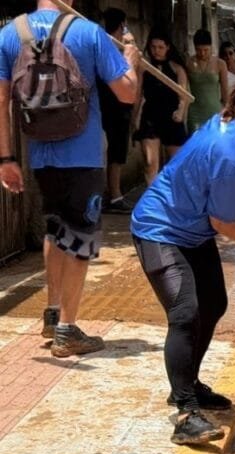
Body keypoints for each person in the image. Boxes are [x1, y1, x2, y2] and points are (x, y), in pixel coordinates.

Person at [130, 77, 235, 445]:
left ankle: (189, 384)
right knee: (185, 313)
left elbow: (227, 171)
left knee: (214, 303)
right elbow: (223, 222)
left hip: (192, 229)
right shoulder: (229, 154)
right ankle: (186, 413)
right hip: (161, 230)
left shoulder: (231, 125)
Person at [0, 0, 140, 356]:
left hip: (40, 152)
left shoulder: (9, 34)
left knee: (55, 227)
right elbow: (127, 92)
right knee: (80, 236)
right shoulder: (88, 32)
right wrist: (131, 62)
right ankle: (67, 329)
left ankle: (52, 310)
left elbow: (1, 102)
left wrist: (6, 158)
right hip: (82, 153)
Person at [134, 31, 189, 185]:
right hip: (150, 117)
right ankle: (151, 203)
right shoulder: (144, 68)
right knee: (150, 163)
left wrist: (180, 111)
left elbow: (183, 95)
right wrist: (134, 119)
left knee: (176, 165)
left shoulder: (177, 69)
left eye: (160, 47)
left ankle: (172, 202)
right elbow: (137, 95)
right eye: (153, 47)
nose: (156, 51)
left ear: (167, 48)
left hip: (171, 118)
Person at [98, 7, 134, 215]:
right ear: (122, 25)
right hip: (113, 106)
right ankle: (114, 196)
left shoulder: (103, 44)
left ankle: (113, 194)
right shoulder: (114, 48)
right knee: (115, 153)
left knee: (115, 152)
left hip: (110, 106)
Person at [186, 29, 228, 133]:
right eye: (198, 50)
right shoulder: (189, 63)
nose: (202, 53)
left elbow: (225, 91)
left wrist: (226, 111)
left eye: (206, 50)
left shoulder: (220, 64)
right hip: (194, 113)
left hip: (214, 111)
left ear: (211, 47)